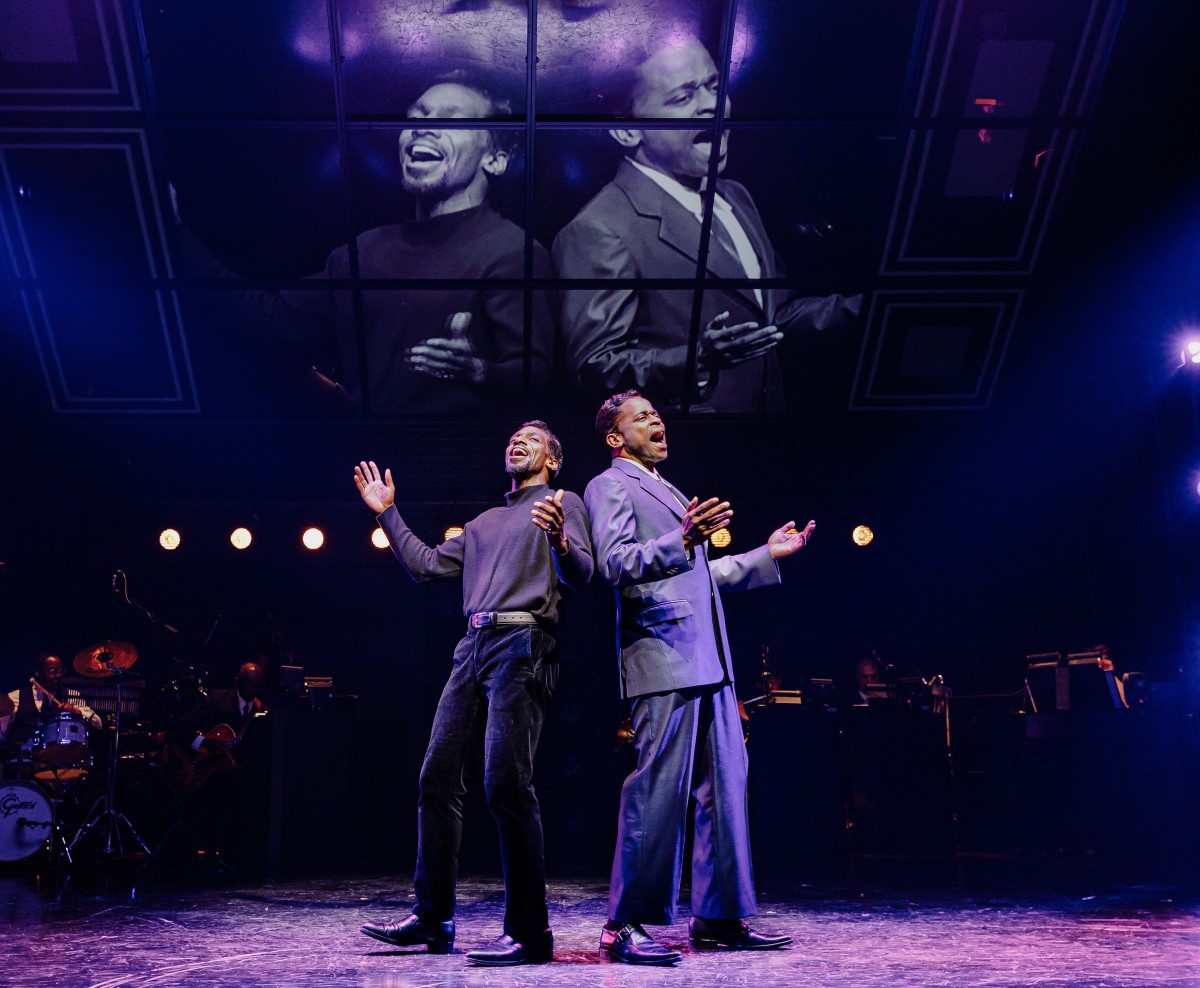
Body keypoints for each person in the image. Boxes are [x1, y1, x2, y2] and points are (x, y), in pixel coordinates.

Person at [584, 390, 815, 964]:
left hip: (710, 660)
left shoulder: (668, 489)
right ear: (616, 438)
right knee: (657, 789)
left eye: (657, 413)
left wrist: (767, 554)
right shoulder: (609, 485)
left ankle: (717, 917)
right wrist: (681, 538)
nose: (656, 420)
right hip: (662, 655)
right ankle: (624, 921)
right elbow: (614, 563)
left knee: (726, 790)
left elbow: (701, 577)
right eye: (641, 417)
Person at [355, 420, 593, 966]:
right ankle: (434, 917)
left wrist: (558, 540)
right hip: (473, 645)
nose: (517, 441)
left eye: (531, 439)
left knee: (506, 784)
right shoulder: (483, 523)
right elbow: (425, 565)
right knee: (437, 776)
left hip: (524, 639)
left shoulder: (563, 501)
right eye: (512, 437)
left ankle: (531, 932)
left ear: (551, 459)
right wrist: (387, 511)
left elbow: (583, 573)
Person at [179, 71, 554, 414]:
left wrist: (477, 371)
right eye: (417, 117)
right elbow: (268, 319)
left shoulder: (511, 252)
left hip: (466, 471)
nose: (423, 129)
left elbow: (539, 378)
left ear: (496, 158)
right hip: (370, 471)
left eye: (450, 119)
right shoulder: (363, 253)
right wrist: (172, 229)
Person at [553, 34, 859, 413]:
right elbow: (593, 370)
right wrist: (698, 359)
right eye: (684, 97)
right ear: (627, 130)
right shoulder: (599, 230)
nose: (712, 106)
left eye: (715, 87)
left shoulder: (735, 197)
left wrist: (874, 309)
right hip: (692, 453)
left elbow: (772, 317)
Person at [0, 652, 102, 767]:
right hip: (22, 761)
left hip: (59, 761)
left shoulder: (71, 696)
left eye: (61, 671)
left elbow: (98, 722)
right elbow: (2, 735)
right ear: (38, 673)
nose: (58, 675)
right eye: (53, 671)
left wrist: (77, 712)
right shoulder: (16, 697)